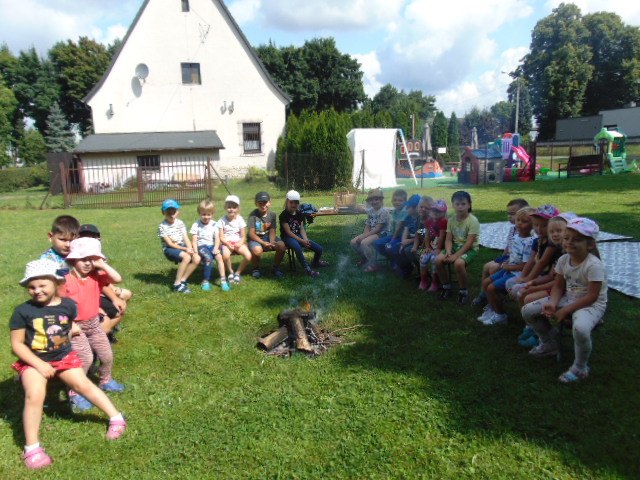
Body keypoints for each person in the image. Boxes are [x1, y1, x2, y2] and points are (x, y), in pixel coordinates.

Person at [10, 259, 127, 469]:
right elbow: (17, 345)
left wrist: (72, 328)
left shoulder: (68, 305)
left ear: (56, 282)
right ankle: (32, 449)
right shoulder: (23, 311)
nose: (37, 290)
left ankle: (117, 418)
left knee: (83, 385)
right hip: (34, 361)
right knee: (34, 394)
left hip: (63, 356)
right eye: (31, 287)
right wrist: (39, 364)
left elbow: (68, 321)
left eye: (42, 285)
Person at [521, 218, 607, 383]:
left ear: (590, 245)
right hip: (568, 298)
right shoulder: (563, 260)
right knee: (528, 311)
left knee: (581, 328)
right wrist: (553, 303)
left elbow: (592, 296)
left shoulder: (594, 265)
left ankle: (580, 367)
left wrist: (566, 310)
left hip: (591, 304)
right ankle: (549, 342)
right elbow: (559, 286)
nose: (569, 242)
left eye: (577, 239)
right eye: (567, 238)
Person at [61, 237, 127, 411]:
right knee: (85, 359)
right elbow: (59, 305)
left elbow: (117, 278)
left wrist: (102, 264)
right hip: (76, 327)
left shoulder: (96, 277)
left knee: (106, 355)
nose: (87, 263)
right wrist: (70, 324)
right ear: (73, 260)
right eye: (83, 259)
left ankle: (105, 380)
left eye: (92, 259)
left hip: (94, 324)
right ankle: (75, 391)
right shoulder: (66, 280)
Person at [477, 206, 535, 325]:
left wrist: (508, 267)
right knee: (486, 282)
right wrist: (507, 263)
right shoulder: (517, 236)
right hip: (510, 269)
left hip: (519, 274)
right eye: (518, 220)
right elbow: (514, 255)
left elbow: (526, 266)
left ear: (533, 225)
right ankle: (492, 310)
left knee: (491, 288)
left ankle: (500, 315)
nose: (519, 223)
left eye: (524, 221)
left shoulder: (529, 243)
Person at [471, 198, 529, 307]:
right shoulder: (513, 229)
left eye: (513, 214)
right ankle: (483, 295)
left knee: (493, 268)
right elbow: (508, 246)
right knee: (486, 266)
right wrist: (502, 257)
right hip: (508, 257)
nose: (510, 216)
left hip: (515, 260)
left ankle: (495, 295)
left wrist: (504, 262)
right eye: (508, 214)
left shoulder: (526, 233)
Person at [78, 224, 132, 338]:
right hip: (85, 299)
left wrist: (101, 264)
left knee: (123, 298)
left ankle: (106, 332)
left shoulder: (97, 258)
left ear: (98, 239)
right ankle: (103, 333)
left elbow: (114, 279)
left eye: (91, 237)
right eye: (84, 237)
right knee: (107, 320)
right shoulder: (77, 260)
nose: (88, 240)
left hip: (98, 291)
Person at [435, 190, 480, 304]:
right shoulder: (451, 220)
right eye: (457, 204)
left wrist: (455, 256)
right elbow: (448, 239)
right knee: (438, 260)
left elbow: (469, 243)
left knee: (459, 263)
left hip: (470, 249)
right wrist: (448, 252)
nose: (460, 207)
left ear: (469, 205)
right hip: (454, 246)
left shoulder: (473, 221)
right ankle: (446, 286)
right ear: (453, 205)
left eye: (463, 204)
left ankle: (464, 291)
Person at [279, 190, 328, 277]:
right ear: (287, 202)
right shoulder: (283, 215)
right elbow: (288, 232)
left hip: (298, 235)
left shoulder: (300, 214)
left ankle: (316, 262)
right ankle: (308, 269)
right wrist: (302, 241)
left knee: (319, 249)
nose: (294, 204)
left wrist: (305, 240)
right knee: (297, 247)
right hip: (287, 237)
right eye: (291, 202)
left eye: (296, 202)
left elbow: (301, 229)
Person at [158, 199, 201, 293]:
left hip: (182, 245)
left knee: (197, 258)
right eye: (168, 212)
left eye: (173, 212)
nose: (171, 214)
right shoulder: (162, 226)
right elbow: (170, 244)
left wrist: (190, 248)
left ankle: (183, 280)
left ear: (178, 211)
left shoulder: (180, 223)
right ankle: (177, 284)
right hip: (169, 249)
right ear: (163, 212)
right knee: (186, 257)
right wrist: (185, 249)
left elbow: (186, 238)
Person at [189, 200, 229, 291]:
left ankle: (223, 280)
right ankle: (205, 281)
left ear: (212, 214)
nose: (206, 217)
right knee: (208, 258)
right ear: (199, 213)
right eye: (203, 214)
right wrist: (195, 252)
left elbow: (217, 238)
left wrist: (216, 248)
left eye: (208, 214)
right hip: (202, 246)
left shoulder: (215, 224)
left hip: (212, 246)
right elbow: (194, 241)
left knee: (219, 257)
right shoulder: (196, 225)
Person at [247, 191, 286, 279]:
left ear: (270, 202)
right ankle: (256, 268)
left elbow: (272, 230)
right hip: (255, 238)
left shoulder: (272, 215)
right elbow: (251, 234)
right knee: (257, 250)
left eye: (265, 202)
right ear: (256, 204)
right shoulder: (253, 216)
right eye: (260, 203)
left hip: (268, 237)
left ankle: (275, 268)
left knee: (281, 246)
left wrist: (271, 242)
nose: (263, 205)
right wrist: (263, 243)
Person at [351, 188, 389, 273]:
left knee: (364, 243)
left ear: (381, 200)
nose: (374, 202)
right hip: (372, 232)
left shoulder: (384, 212)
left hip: (382, 233)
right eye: (371, 200)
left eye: (376, 199)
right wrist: (364, 235)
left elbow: (378, 229)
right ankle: (365, 259)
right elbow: (368, 225)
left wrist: (365, 237)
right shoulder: (371, 211)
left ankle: (373, 264)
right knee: (353, 242)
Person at [218, 195, 252, 285]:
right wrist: (227, 244)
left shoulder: (240, 220)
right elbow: (221, 237)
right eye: (229, 207)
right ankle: (231, 272)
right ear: (225, 207)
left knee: (248, 256)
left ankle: (238, 273)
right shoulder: (221, 220)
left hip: (238, 242)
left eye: (234, 207)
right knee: (225, 256)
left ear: (238, 208)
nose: (231, 209)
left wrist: (240, 243)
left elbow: (243, 236)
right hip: (227, 243)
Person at [417, 199, 448, 291]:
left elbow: (442, 237)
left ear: (444, 212)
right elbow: (427, 235)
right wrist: (427, 247)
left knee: (434, 259)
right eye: (434, 210)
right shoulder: (428, 221)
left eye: (439, 211)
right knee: (423, 257)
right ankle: (424, 280)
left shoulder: (444, 221)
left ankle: (435, 282)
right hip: (432, 246)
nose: (435, 213)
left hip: (442, 247)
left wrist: (438, 248)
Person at [374, 189, 407, 260]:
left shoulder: (404, 211)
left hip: (404, 236)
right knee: (377, 243)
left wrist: (392, 239)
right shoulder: (394, 211)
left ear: (405, 202)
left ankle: (397, 260)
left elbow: (398, 228)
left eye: (400, 200)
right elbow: (394, 227)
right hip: (395, 235)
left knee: (389, 246)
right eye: (395, 200)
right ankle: (392, 258)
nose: (397, 202)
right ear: (392, 201)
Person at [394, 193, 423, 277]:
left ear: (416, 208)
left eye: (408, 207)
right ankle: (407, 269)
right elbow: (406, 230)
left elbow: (422, 235)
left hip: (422, 242)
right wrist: (403, 243)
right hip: (414, 240)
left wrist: (408, 241)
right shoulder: (409, 217)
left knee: (408, 250)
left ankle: (421, 270)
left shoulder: (421, 219)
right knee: (398, 247)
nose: (406, 208)